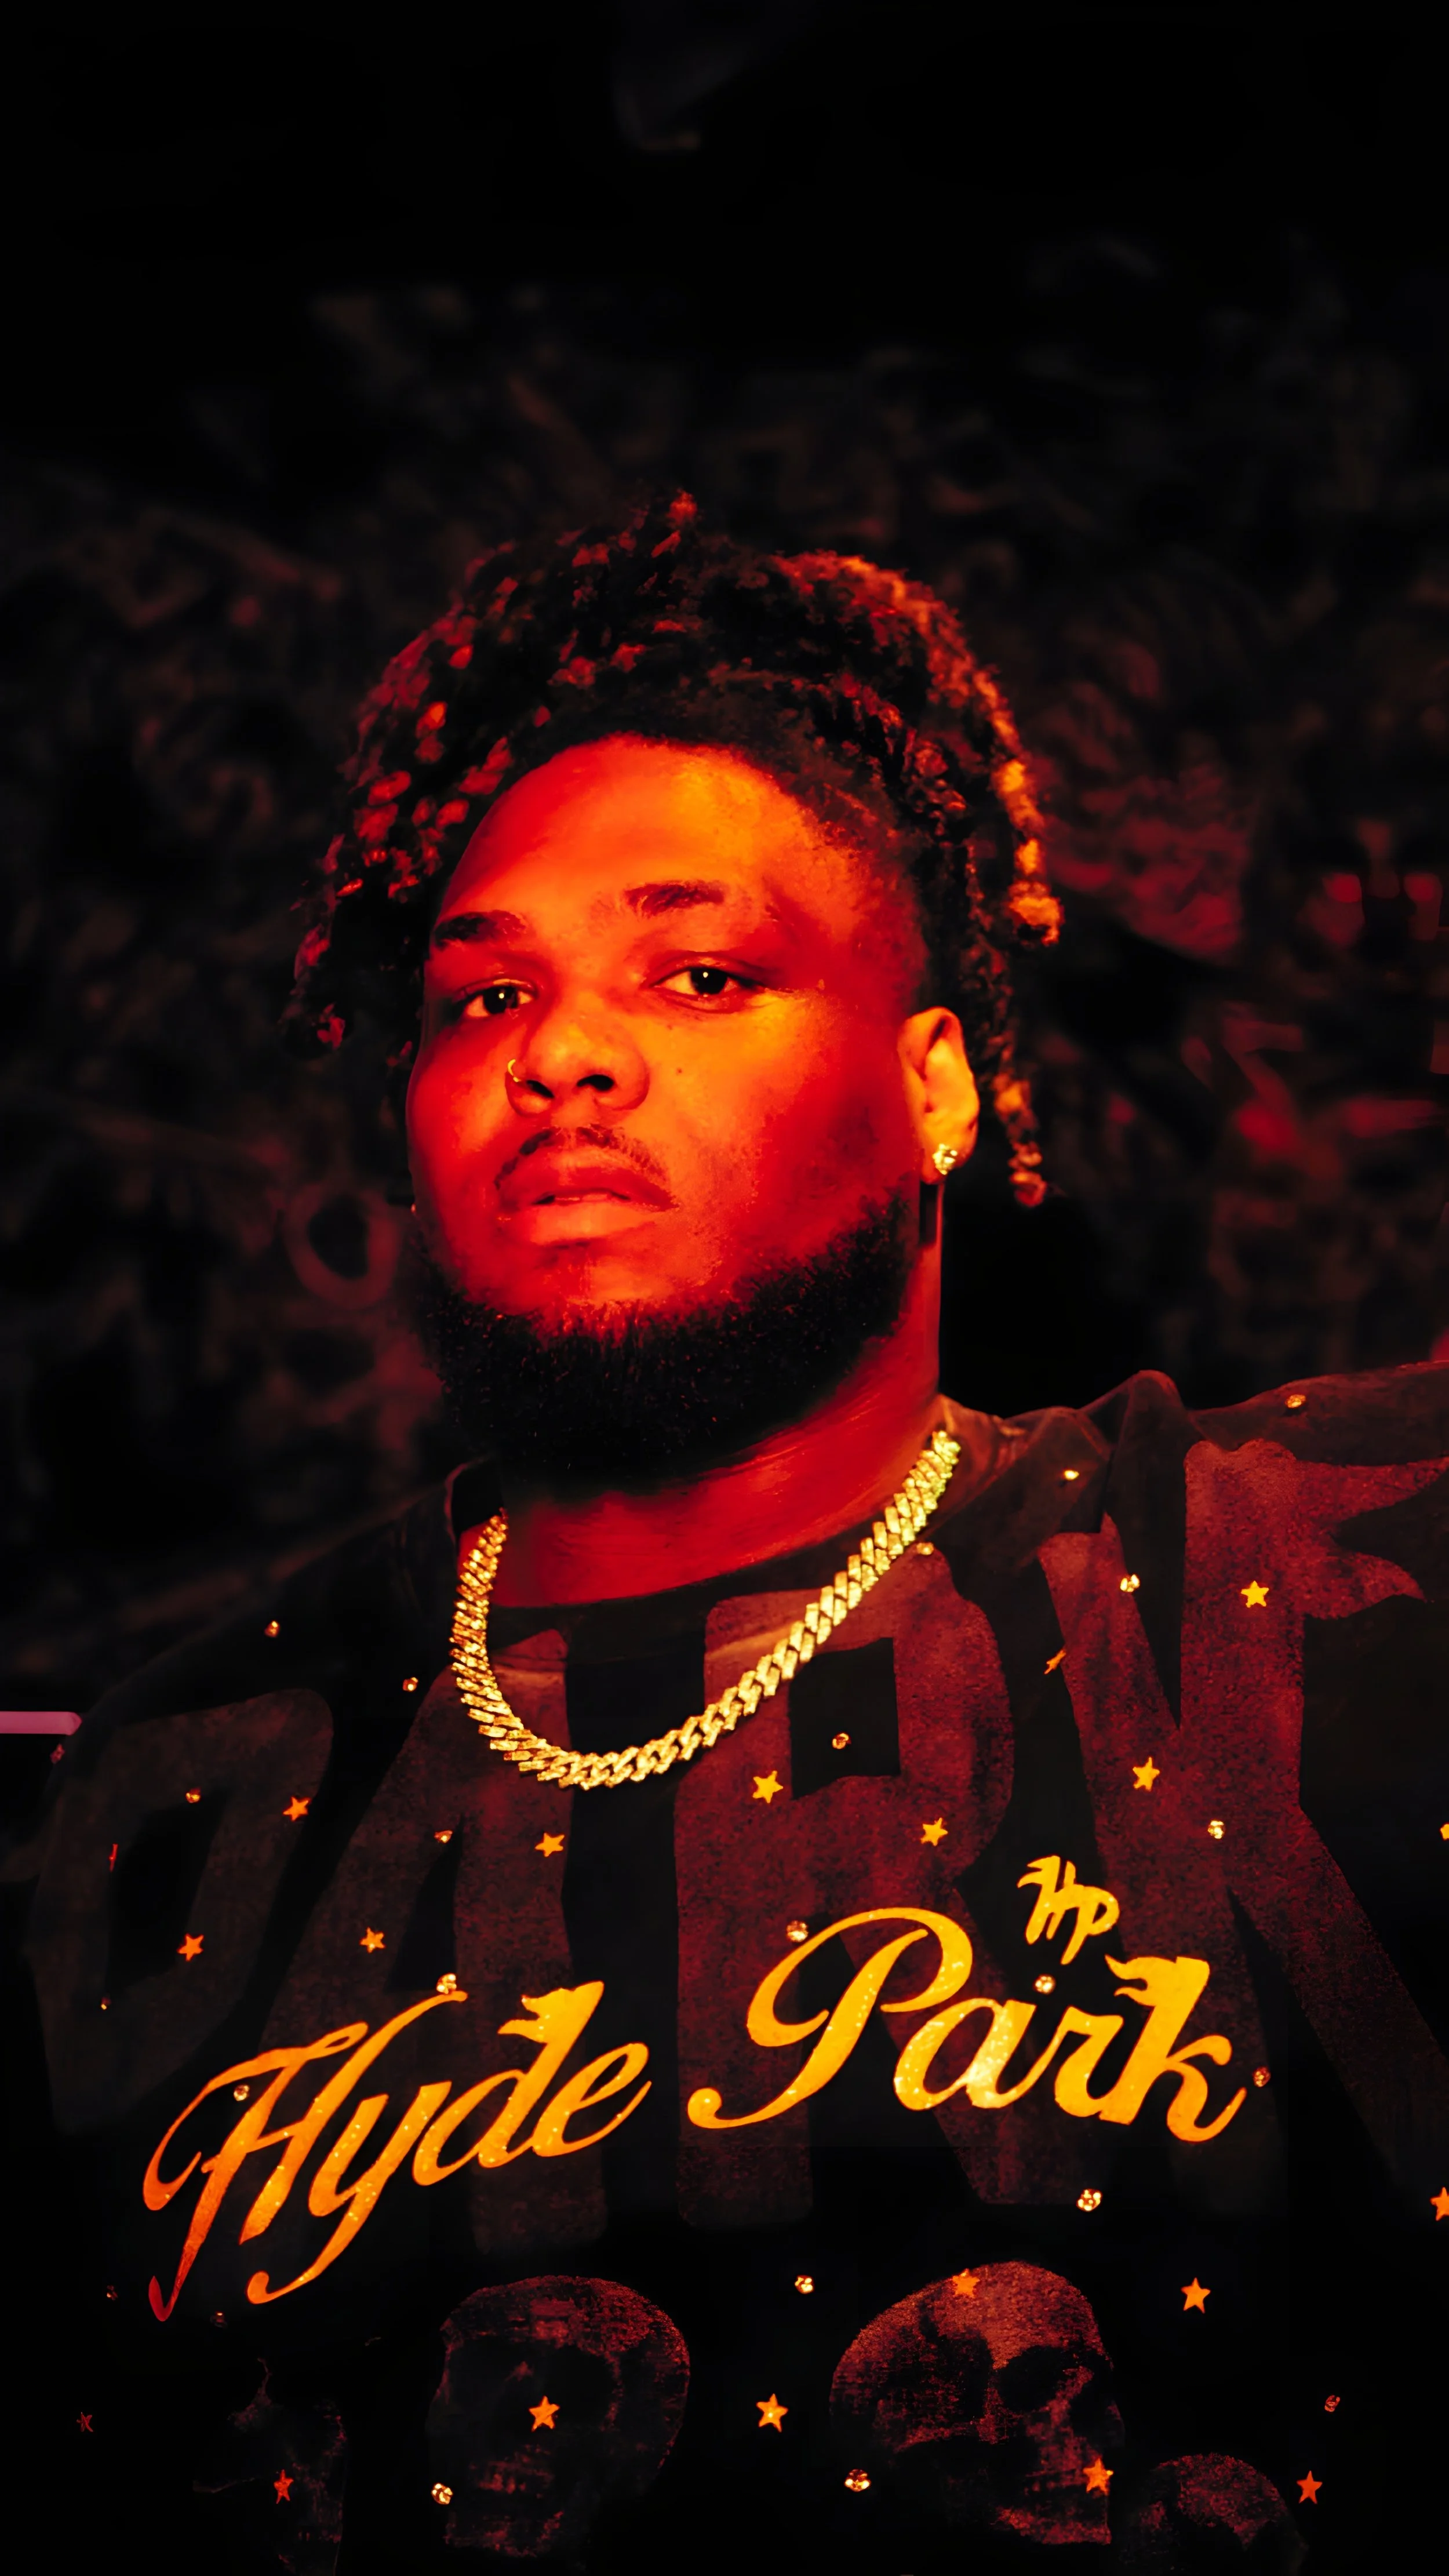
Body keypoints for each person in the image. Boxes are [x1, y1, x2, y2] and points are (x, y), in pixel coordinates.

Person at [8, 491, 1449, 2575]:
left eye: (698, 971)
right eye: (482, 1001)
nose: (565, 1054)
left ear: (936, 1083)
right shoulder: (144, 1813)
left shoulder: (1303, 1576)